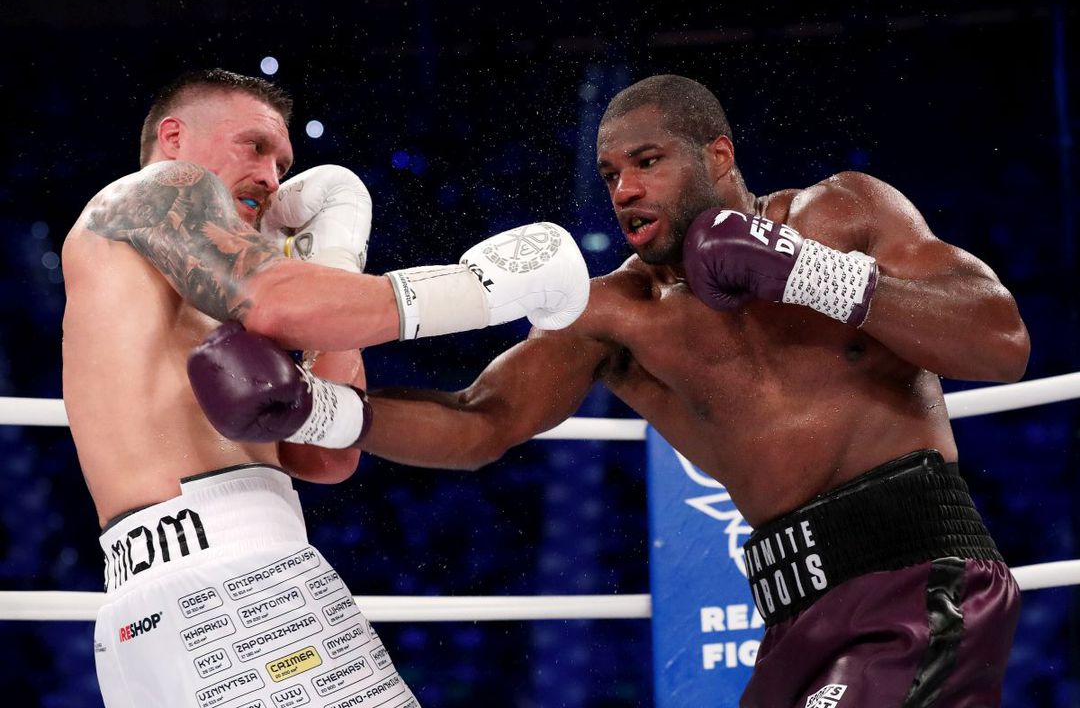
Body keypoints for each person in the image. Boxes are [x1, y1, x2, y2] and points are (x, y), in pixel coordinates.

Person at [194, 74, 1030, 706]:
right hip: (796, 621)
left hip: (922, 581)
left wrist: (806, 272)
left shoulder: (839, 215)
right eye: (609, 175)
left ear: (718, 156)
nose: (624, 191)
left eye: (647, 162)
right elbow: (480, 423)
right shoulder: (615, 315)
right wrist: (322, 411)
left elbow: (1001, 342)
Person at [62, 68, 589, 708]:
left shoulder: (189, 279)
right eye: (255, 146)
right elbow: (277, 303)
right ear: (174, 138)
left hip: (145, 616)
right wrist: (478, 290)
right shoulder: (151, 191)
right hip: (240, 587)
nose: (271, 176)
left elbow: (323, 457)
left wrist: (334, 262)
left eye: (282, 163)